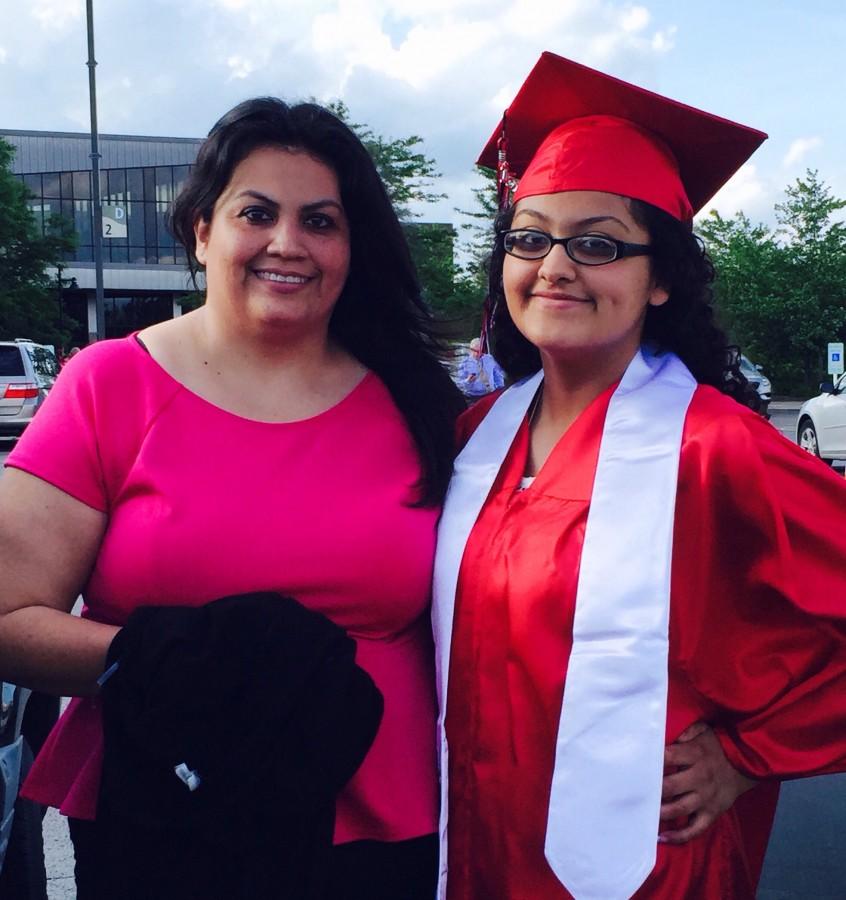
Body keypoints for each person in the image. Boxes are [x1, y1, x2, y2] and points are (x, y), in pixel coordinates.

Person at [0, 97, 465, 899]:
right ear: (202, 230)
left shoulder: (422, 404)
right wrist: (157, 659)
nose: (288, 243)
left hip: (380, 827)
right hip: (161, 811)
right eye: (258, 212)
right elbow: (8, 618)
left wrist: (720, 739)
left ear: (352, 248)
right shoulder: (108, 383)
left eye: (321, 221)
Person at [432, 52, 846, 900]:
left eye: (597, 245)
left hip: (641, 869)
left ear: (660, 280)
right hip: (473, 853)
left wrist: (745, 754)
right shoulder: (477, 437)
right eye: (531, 238)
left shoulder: (715, 447)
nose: (554, 266)